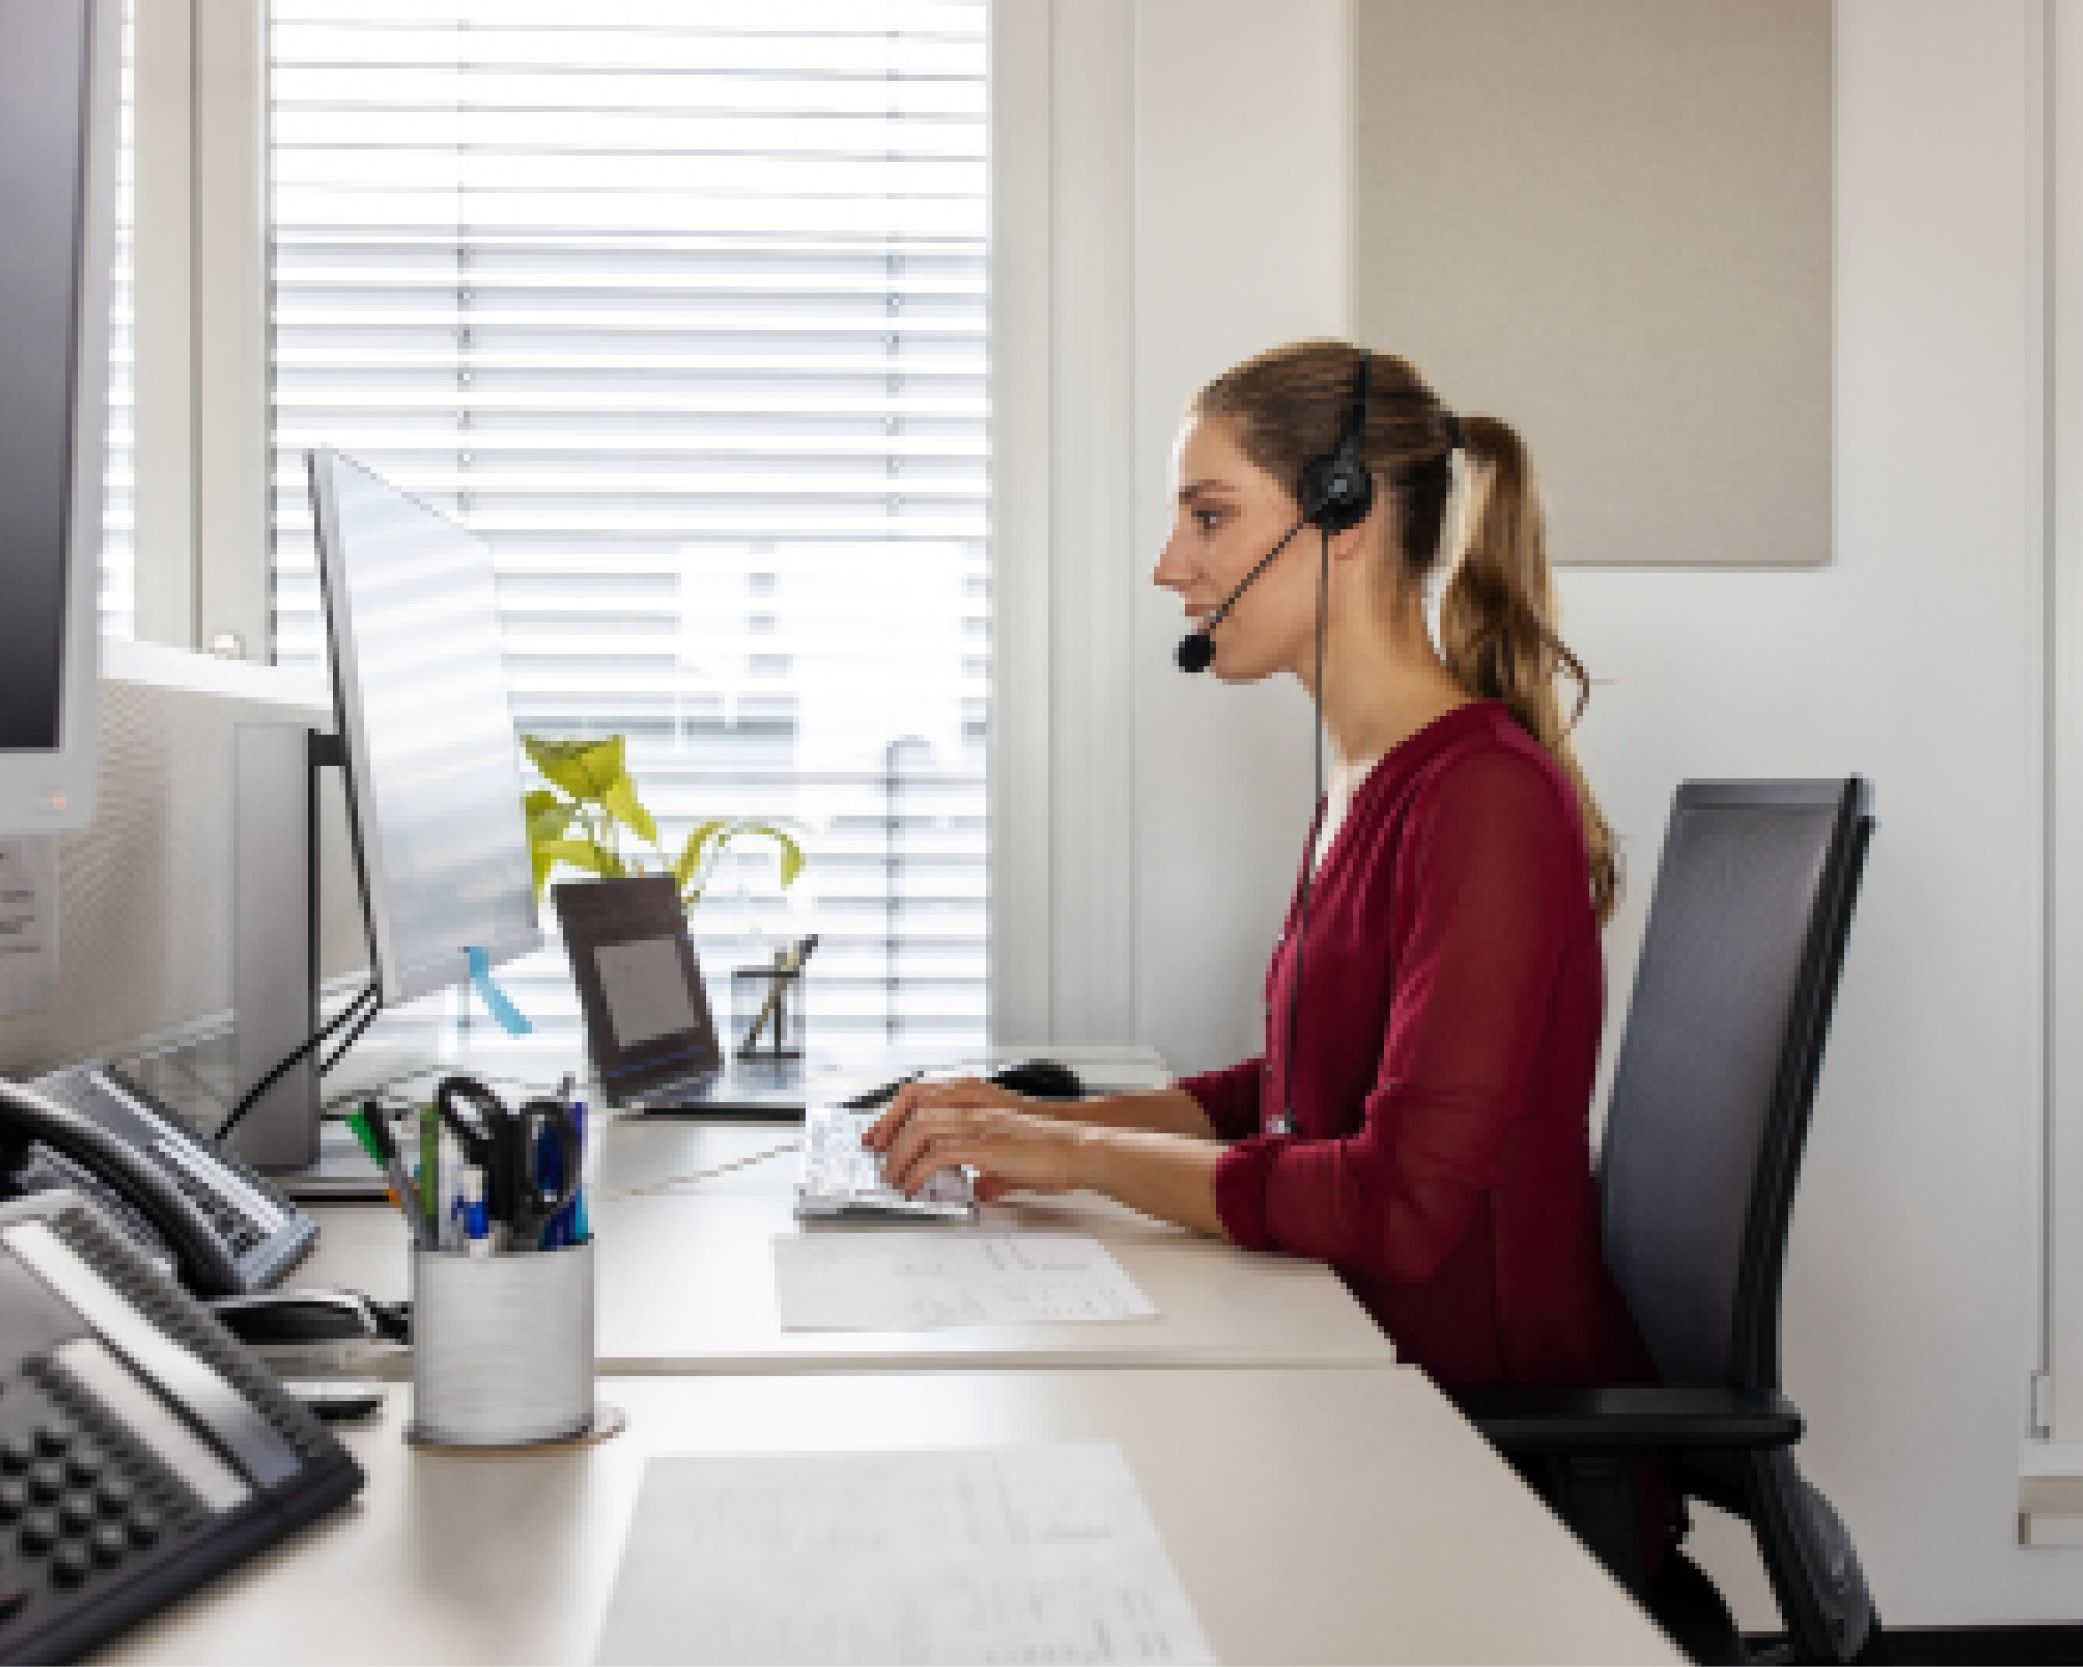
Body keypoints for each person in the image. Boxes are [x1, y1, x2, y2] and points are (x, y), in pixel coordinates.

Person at [865, 337, 1650, 1394]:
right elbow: (1295, 1090)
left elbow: (1400, 1205)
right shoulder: (1369, 774)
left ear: (1343, 513)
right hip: (1349, 1348)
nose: (1169, 563)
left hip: (1464, 1421)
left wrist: (1082, 1159)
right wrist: (1030, 1126)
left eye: (1210, 515)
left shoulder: (1482, 797)